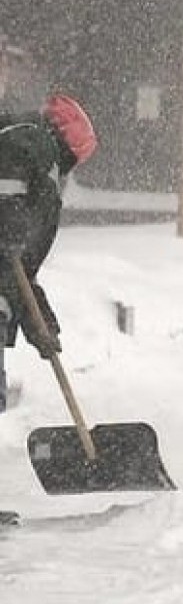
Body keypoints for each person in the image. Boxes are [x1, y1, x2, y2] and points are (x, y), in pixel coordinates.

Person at [0, 93, 98, 415]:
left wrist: (42, 325)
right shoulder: (31, 139)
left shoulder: (42, 170)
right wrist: (9, 214)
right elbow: (8, 174)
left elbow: (20, 275)